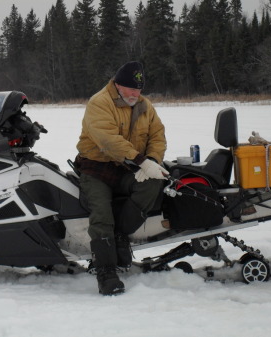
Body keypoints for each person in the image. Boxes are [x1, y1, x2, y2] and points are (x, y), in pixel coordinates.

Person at [74, 61, 168, 295]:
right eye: (131, 89)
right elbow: (107, 140)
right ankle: (106, 272)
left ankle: (119, 236)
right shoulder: (100, 102)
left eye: (139, 90)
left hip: (128, 168)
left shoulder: (145, 106)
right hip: (97, 169)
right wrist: (140, 161)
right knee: (101, 213)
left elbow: (158, 136)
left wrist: (153, 162)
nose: (135, 94)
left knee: (153, 183)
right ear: (117, 85)